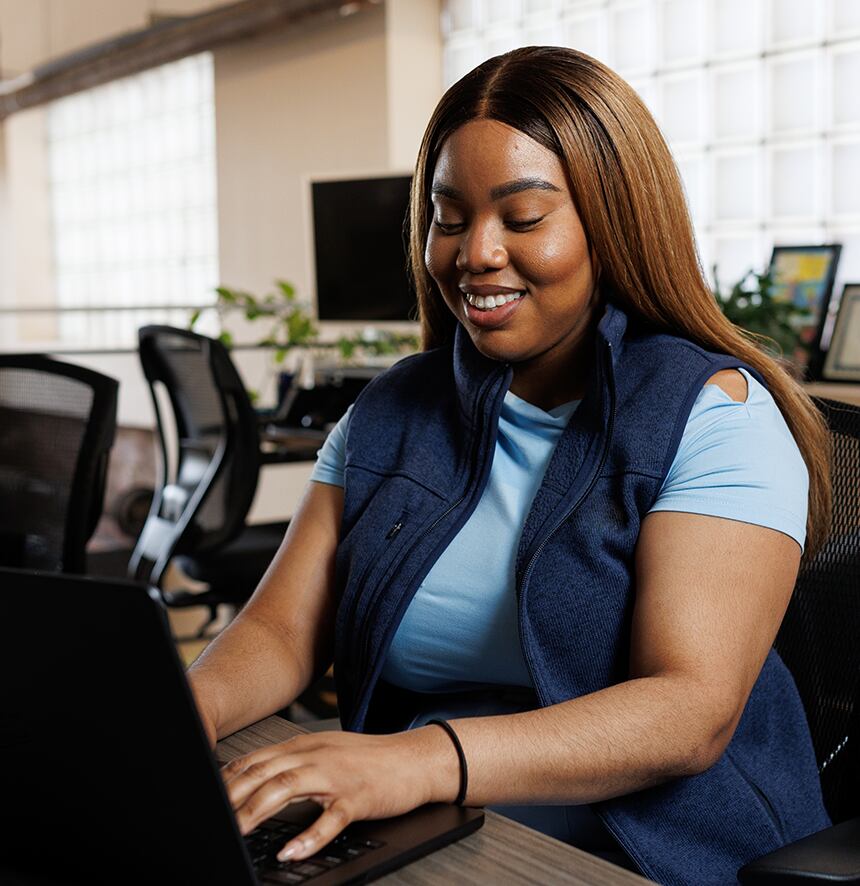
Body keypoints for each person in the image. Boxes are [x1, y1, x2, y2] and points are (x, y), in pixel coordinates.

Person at [188, 47, 832, 885]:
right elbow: (280, 631)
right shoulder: (392, 411)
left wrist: (418, 761)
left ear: (614, 224)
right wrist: (173, 717)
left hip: (647, 845)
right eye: (449, 217)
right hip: (445, 819)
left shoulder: (713, 417)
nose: (475, 253)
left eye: (523, 219)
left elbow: (689, 711)